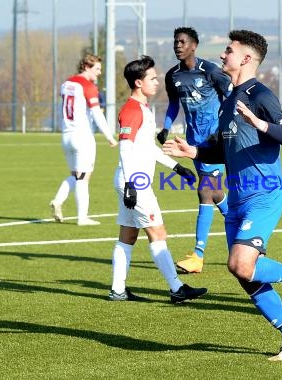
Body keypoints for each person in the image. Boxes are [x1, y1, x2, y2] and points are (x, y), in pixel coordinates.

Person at [162, 30, 282, 361]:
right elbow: (223, 149)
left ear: (245, 59)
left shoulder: (260, 94)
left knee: (241, 264)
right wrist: (194, 152)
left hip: (263, 195)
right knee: (242, 272)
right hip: (239, 198)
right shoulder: (229, 99)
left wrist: (258, 122)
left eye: (228, 51)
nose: (222, 56)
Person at [109, 55, 206, 304]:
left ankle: (118, 290)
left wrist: (176, 167)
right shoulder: (132, 110)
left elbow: (148, 148)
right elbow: (125, 148)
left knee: (128, 236)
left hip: (132, 181)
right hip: (136, 183)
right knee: (158, 232)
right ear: (138, 83)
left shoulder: (142, 109)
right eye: (152, 78)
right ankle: (176, 288)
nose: (156, 81)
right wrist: (132, 184)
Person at [156, 27, 232, 274]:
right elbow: (173, 105)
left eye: (182, 42)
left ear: (194, 46)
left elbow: (231, 99)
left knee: (205, 191)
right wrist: (165, 128)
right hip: (192, 143)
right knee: (215, 192)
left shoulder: (210, 71)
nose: (177, 45)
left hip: (215, 142)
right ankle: (238, 229)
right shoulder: (173, 76)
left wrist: (223, 129)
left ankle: (198, 255)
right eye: (175, 41)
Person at [50, 54, 118, 226]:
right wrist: (110, 137)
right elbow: (96, 114)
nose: (99, 73)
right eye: (97, 69)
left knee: (76, 174)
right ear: (87, 67)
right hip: (82, 136)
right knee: (84, 177)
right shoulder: (87, 86)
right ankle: (82, 218)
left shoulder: (66, 84)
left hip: (66, 135)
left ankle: (58, 200)